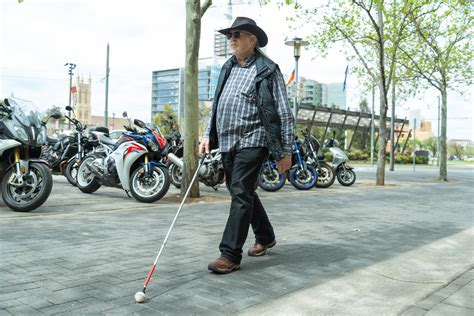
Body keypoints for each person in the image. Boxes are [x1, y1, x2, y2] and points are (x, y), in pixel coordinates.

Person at [199, 17, 295, 274]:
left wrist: (285, 151)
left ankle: (229, 254)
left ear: (252, 39)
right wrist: (208, 135)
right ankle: (265, 236)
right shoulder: (228, 67)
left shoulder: (267, 70)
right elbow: (217, 105)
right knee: (241, 191)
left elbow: (284, 113)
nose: (231, 39)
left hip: (254, 140)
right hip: (229, 142)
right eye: (229, 35)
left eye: (237, 34)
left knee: (240, 191)